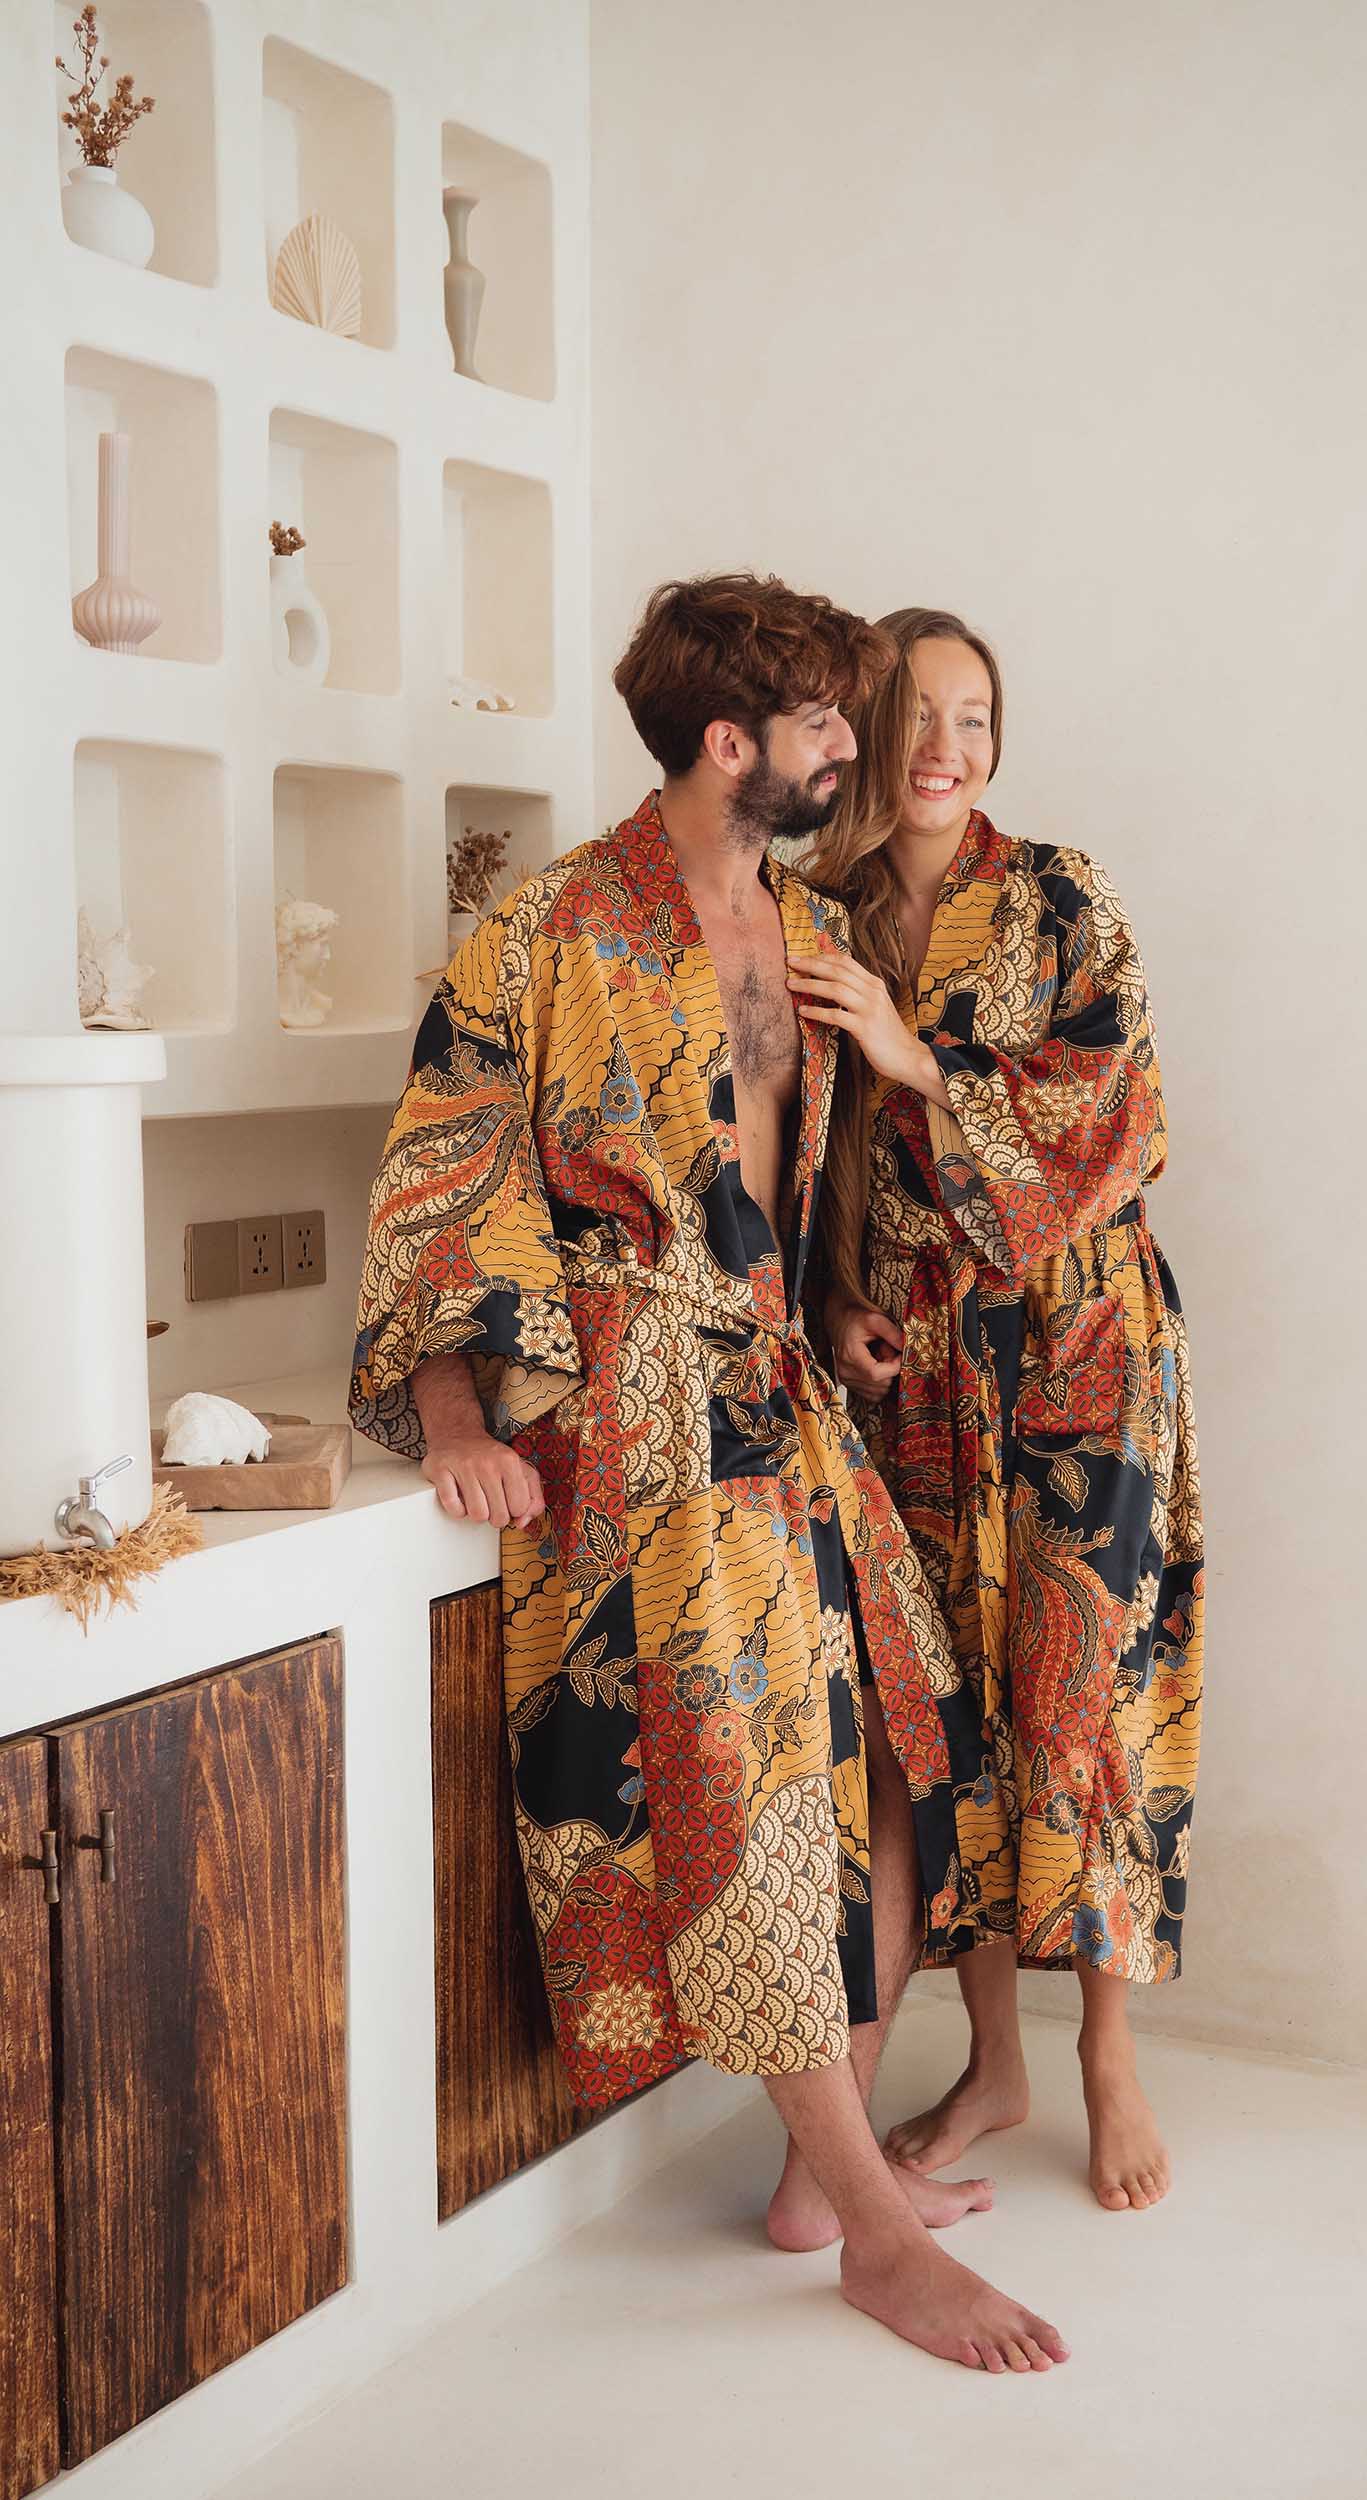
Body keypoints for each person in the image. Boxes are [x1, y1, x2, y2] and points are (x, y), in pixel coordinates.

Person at [350, 574, 1069, 2372]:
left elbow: (791, 1171)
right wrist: (453, 1422)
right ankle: (872, 2231)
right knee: (740, 1781)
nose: (865, 745)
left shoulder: (805, 924)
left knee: (918, 1740)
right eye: (833, 721)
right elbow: (442, 1169)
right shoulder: (548, 933)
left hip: (778, 1386)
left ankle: (821, 2179)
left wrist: (836, 1316)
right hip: (633, 1409)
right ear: (733, 743)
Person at [790, 608, 1205, 2214]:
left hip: (1083, 1352)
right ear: (865, 738)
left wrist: (915, 1060)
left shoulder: (1059, 896)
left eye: (977, 715)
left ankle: (1104, 2053)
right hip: (920, 1370)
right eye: (919, 714)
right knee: (943, 1712)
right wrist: (835, 1309)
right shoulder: (811, 914)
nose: (951, 746)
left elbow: (1122, 1118)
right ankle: (994, 2063)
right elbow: (805, 1157)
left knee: (1080, 1691)